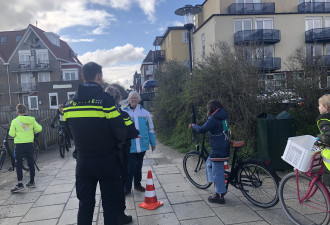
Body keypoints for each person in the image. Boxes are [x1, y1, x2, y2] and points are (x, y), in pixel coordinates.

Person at [62, 62, 127, 225]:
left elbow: (68, 130)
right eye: (101, 76)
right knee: (110, 205)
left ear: (83, 76)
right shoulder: (105, 100)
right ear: (98, 76)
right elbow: (120, 130)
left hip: (83, 162)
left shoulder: (69, 103)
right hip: (106, 160)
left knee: (85, 205)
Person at [105, 85, 139, 224]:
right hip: (120, 156)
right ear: (118, 99)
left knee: (106, 187)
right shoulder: (123, 114)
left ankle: (109, 216)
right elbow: (132, 132)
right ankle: (120, 214)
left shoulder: (99, 114)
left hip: (103, 156)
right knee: (119, 185)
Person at [189, 100, 230, 204]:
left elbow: (202, 130)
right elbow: (225, 129)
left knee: (218, 173)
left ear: (211, 109)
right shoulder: (223, 116)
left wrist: (193, 125)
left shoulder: (213, 118)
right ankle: (212, 182)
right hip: (224, 145)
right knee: (208, 163)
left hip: (217, 149)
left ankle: (220, 195)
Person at [123, 91, 156, 195]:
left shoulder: (145, 113)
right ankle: (127, 187)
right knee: (130, 167)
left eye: (135, 98)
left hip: (142, 144)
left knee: (139, 166)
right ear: (129, 99)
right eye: (131, 98)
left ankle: (137, 184)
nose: (133, 100)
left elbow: (150, 128)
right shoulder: (124, 112)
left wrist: (153, 143)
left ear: (138, 100)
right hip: (130, 145)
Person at [9, 104, 42, 193]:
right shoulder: (31, 120)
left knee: (18, 164)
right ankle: (32, 182)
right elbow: (39, 128)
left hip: (19, 145)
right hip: (29, 144)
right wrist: (30, 130)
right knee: (31, 162)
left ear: (17, 112)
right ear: (26, 111)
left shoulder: (14, 121)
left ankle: (20, 184)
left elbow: (11, 134)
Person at [316, 94, 330, 171]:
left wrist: (319, 138)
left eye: (320, 105)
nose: (318, 107)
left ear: (326, 107)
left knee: (326, 181)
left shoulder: (325, 121)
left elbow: (328, 138)